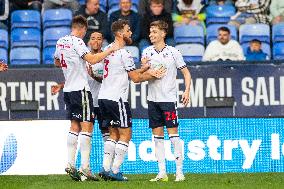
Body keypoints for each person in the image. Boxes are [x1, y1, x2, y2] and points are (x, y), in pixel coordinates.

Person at [54, 15, 121, 181]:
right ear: (82, 29)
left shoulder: (60, 41)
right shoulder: (77, 42)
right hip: (81, 90)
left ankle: (70, 164)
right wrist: (109, 50)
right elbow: (91, 58)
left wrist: (72, 63)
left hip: (69, 90)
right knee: (87, 127)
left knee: (74, 126)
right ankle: (85, 167)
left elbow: (56, 62)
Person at [98, 19, 166, 182]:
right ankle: (115, 170)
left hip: (104, 97)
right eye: (128, 30)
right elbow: (135, 78)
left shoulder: (108, 49)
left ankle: (105, 169)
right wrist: (153, 74)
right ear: (120, 33)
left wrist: (143, 68)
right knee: (126, 133)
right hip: (117, 99)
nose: (130, 33)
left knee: (113, 133)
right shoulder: (125, 53)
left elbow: (123, 72)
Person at [141, 20, 191, 182]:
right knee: (157, 137)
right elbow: (141, 75)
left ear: (163, 33)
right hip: (152, 100)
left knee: (174, 136)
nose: (151, 35)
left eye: (154, 32)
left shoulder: (173, 52)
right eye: (150, 32)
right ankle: (162, 172)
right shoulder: (147, 52)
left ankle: (179, 172)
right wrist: (144, 69)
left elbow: (186, 74)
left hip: (168, 100)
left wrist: (187, 91)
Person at [51, 31, 109, 143]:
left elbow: (110, 81)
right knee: (85, 129)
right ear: (89, 42)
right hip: (87, 101)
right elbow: (77, 78)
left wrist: (95, 76)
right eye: (93, 38)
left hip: (102, 101)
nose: (96, 41)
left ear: (102, 41)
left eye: (99, 38)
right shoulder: (83, 59)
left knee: (106, 131)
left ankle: (108, 160)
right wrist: (61, 86)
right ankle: (84, 160)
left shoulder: (106, 59)